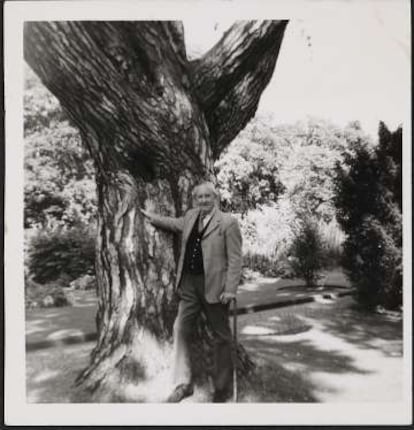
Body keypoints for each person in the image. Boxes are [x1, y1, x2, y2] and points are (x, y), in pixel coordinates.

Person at [141, 181, 242, 403]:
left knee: (221, 336)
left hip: (215, 286)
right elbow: (174, 224)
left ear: (215, 198)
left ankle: (222, 389)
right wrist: (151, 217)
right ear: (194, 200)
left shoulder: (228, 222)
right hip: (188, 285)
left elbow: (235, 259)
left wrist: (231, 289)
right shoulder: (190, 217)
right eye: (199, 197)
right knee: (180, 328)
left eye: (208, 196)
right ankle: (183, 384)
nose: (204, 200)